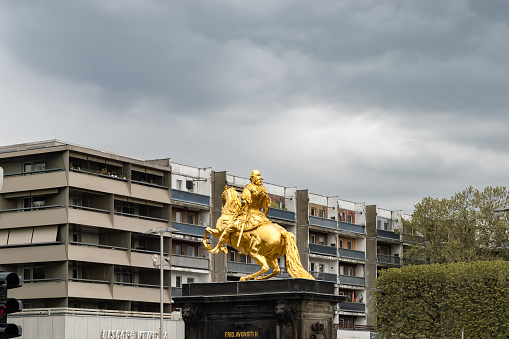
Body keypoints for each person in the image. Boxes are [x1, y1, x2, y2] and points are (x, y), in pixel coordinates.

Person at [211, 169, 271, 253]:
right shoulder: (264, 190)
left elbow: (245, 202)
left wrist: (240, 212)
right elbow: (267, 206)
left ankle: (218, 247)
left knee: (229, 228)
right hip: (261, 217)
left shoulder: (249, 187)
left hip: (249, 215)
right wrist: (264, 216)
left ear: (252, 178)